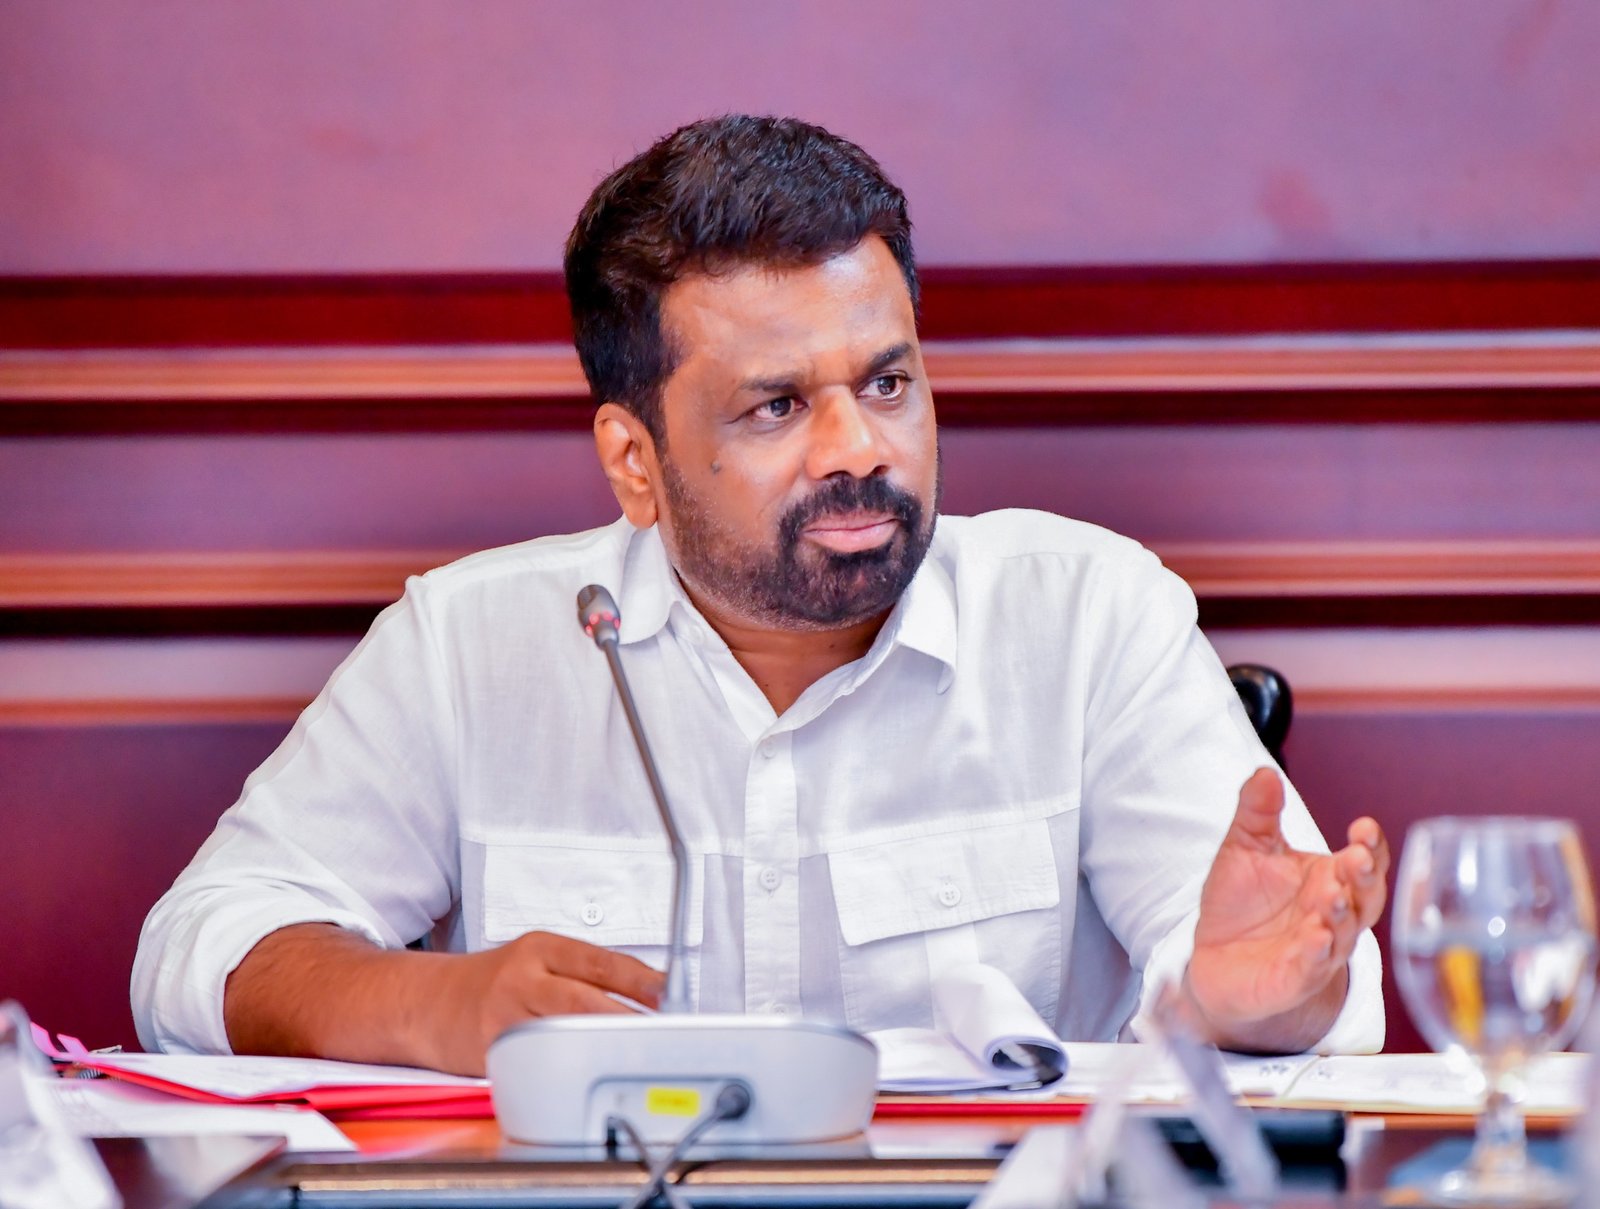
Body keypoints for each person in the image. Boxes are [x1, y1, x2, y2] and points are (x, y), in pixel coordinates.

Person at [133, 115, 1387, 1077]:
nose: (857, 449)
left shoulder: (1090, 619)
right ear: (634, 461)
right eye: (777, 406)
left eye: (887, 384)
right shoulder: (469, 646)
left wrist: (1246, 998)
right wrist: (432, 1004)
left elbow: (1281, 986)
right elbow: (200, 948)